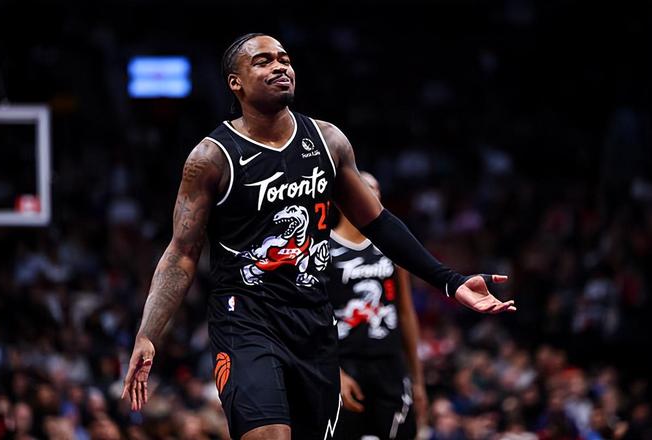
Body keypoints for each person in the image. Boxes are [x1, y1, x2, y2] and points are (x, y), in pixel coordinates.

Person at [121, 33, 516, 440]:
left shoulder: (327, 141)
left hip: (313, 323)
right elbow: (182, 254)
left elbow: (379, 223)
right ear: (235, 83)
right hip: (245, 319)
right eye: (263, 61)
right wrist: (148, 334)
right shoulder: (211, 158)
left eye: (284, 58)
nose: (280, 66)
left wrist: (450, 281)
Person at [327, 171, 427, 439]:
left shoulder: (391, 246)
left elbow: (405, 312)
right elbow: (313, 318)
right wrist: (334, 372)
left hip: (389, 363)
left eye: (376, 189)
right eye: (365, 187)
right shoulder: (323, 248)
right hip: (344, 362)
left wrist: (417, 379)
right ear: (342, 197)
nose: (373, 193)